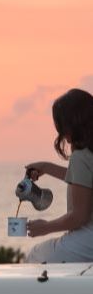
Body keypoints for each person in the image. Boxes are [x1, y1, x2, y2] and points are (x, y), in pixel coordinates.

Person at [26, 88, 93, 263]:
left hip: (88, 240)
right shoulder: (88, 155)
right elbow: (84, 183)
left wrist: (45, 227)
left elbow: (79, 216)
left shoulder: (80, 157)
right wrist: (47, 167)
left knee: (34, 257)